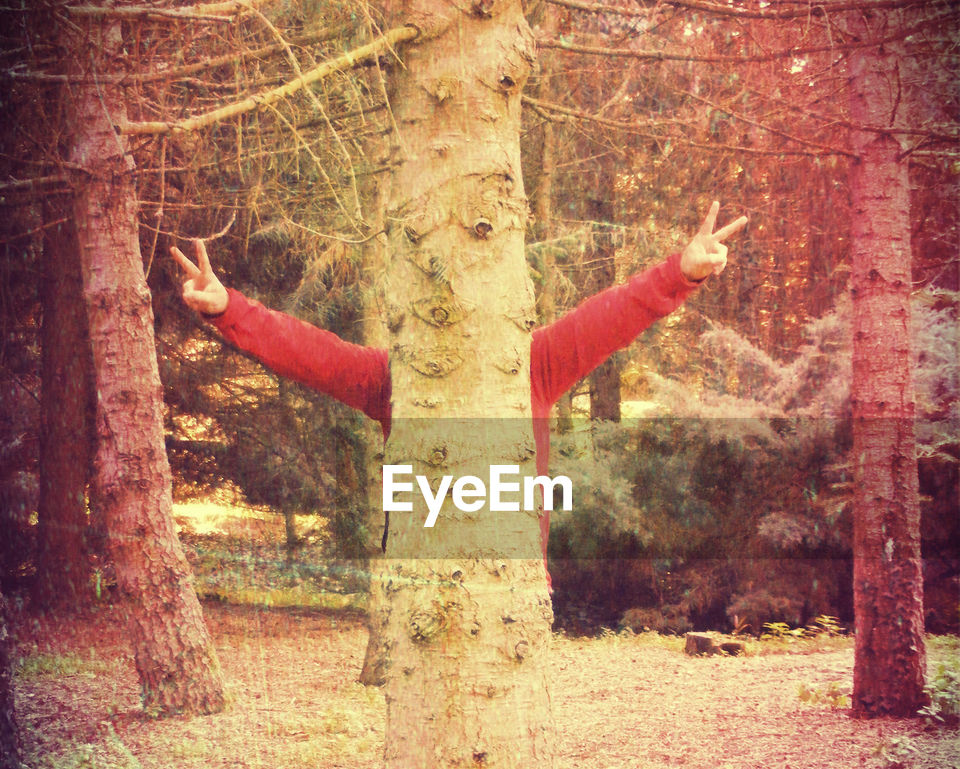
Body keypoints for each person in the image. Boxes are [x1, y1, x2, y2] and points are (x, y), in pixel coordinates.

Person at [171, 201, 747, 557]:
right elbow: (305, 351)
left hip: (511, 603)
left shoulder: (536, 362)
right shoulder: (393, 378)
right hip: (424, 599)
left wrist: (683, 271)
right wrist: (229, 310)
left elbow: (617, 312)